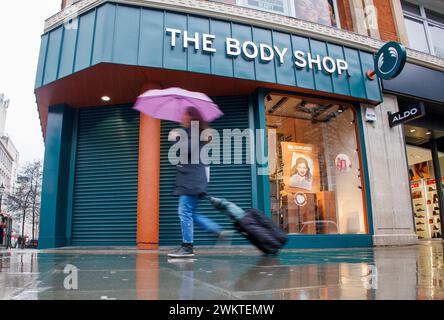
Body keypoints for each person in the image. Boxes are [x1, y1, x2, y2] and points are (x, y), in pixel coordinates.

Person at [168, 106, 230, 258]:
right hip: (192, 179)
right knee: (191, 213)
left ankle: (187, 247)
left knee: (184, 211)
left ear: (191, 117)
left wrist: (176, 137)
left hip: (192, 180)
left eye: (184, 114)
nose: (181, 117)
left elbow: (189, 149)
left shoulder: (195, 132)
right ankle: (217, 231)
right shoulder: (192, 132)